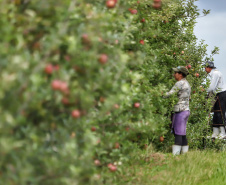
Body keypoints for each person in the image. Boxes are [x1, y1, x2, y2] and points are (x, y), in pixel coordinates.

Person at [164, 66, 191, 155]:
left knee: (178, 132)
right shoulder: (187, 83)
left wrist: (159, 94)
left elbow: (170, 94)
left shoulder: (179, 83)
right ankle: (184, 154)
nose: (174, 74)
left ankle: (175, 155)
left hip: (180, 110)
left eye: (175, 73)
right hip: (186, 110)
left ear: (180, 74)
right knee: (182, 132)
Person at [204, 61, 226, 139]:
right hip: (217, 94)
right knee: (216, 113)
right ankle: (215, 133)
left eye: (205, 68)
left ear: (208, 67)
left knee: (220, 113)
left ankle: (223, 133)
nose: (205, 69)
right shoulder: (214, 73)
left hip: (222, 94)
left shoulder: (215, 73)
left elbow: (211, 87)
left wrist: (203, 90)